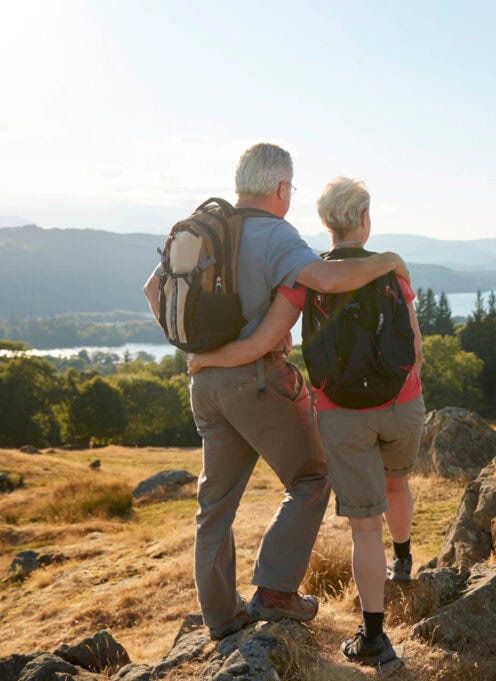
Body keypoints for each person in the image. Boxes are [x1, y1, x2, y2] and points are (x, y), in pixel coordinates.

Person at [142, 144, 410, 641]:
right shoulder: (274, 233)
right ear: (282, 189)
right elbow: (327, 277)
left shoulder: (203, 228)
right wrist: (388, 261)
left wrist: (196, 349)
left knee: (215, 504)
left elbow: (153, 291)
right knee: (313, 475)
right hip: (258, 380)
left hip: (203, 384)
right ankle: (274, 590)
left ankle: (221, 619)